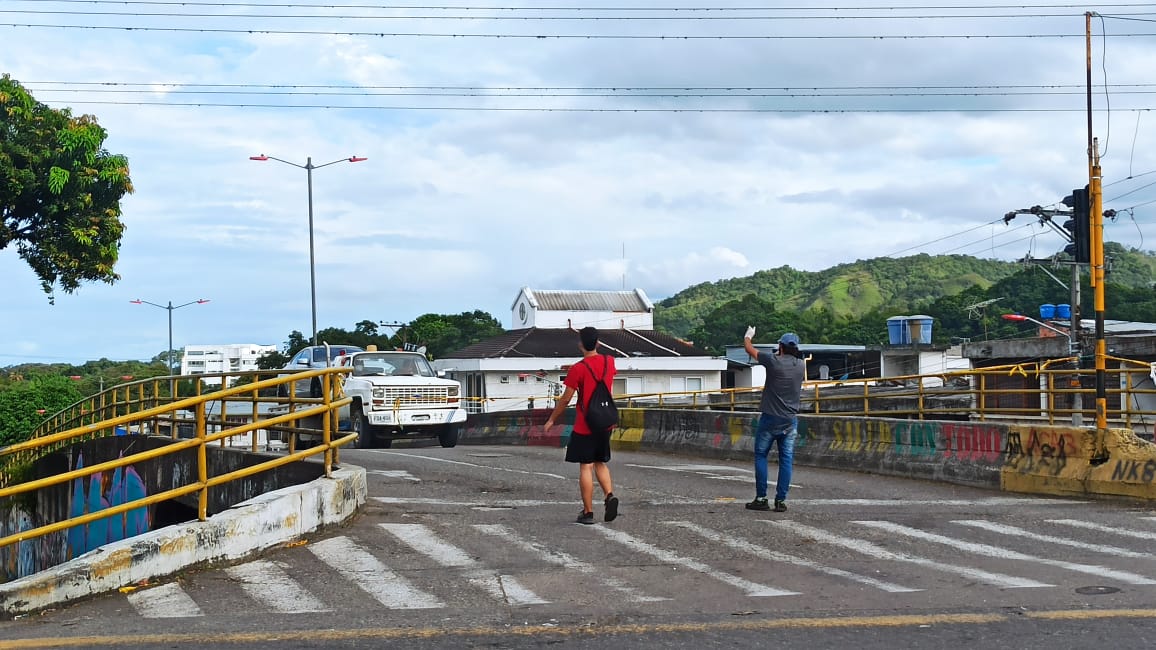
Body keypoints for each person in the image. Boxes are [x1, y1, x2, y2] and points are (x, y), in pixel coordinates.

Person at [543, 326, 619, 525]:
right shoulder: (609, 362)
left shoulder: (578, 368)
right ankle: (609, 495)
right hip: (605, 422)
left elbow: (565, 399)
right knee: (600, 462)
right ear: (598, 343)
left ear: (580, 345)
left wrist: (552, 419)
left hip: (585, 424)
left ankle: (588, 512)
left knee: (586, 466)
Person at [743, 327, 805, 513]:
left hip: (770, 417)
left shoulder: (773, 361)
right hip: (790, 420)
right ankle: (781, 500)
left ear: (781, 346)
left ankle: (761, 498)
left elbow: (749, 349)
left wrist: (748, 336)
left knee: (761, 456)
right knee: (786, 459)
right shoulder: (801, 365)